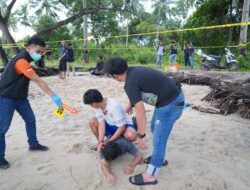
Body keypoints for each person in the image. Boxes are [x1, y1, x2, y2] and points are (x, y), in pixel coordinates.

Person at [104, 58, 184, 186]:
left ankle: (150, 175)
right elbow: (142, 88)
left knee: (159, 139)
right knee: (154, 128)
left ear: (114, 76)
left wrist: (141, 135)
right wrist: (131, 103)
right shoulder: (133, 71)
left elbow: (140, 111)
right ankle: (159, 158)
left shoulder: (129, 84)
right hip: (169, 99)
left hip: (171, 104)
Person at [0, 37, 62, 169]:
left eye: (41, 52)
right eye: (38, 51)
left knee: (31, 120)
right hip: (6, 98)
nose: (39, 54)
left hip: (21, 98)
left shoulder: (27, 59)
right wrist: (54, 97)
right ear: (29, 48)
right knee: (2, 129)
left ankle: (33, 144)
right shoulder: (21, 61)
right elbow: (38, 81)